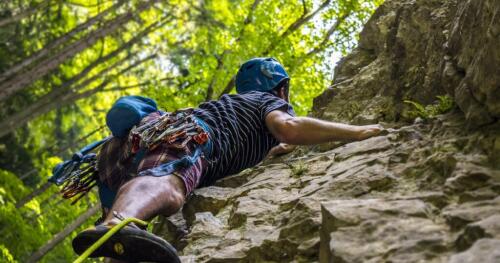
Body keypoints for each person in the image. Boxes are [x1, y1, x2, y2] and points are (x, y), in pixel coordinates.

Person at [72, 57, 382, 262]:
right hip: (186, 134)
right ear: (280, 88)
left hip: (120, 153)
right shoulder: (267, 101)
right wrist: (357, 132)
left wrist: (274, 152)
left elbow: (262, 146)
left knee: (122, 241)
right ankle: (116, 222)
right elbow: (288, 128)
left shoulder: (235, 110)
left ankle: (114, 229)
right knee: (169, 186)